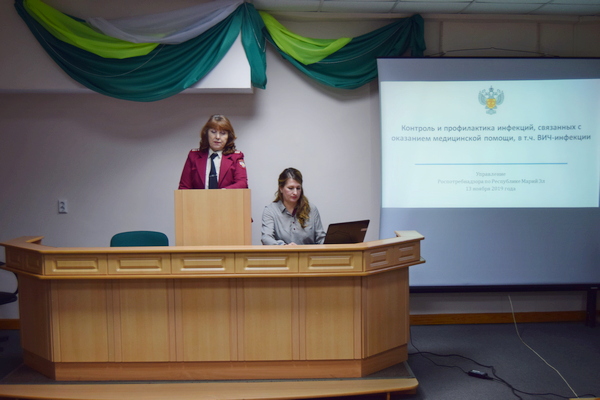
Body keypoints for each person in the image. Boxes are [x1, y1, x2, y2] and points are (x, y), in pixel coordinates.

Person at [178, 115, 248, 189]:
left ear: (228, 136)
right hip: (199, 197)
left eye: (223, 133)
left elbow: (242, 183)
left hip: (226, 196)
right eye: (213, 132)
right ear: (206, 134)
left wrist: (222, 193)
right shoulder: (194, 156)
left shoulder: (236, 157)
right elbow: (184, 187)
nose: (217, 137)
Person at [261, 168, 326, 245]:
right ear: (281, 188)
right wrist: (284, 246)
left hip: (307, 252)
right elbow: (266, 238)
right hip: (283, 252)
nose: (295, 192)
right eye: (290, 188)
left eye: (298, 188)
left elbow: (321, 239)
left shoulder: (311, 209)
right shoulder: (270, 210)